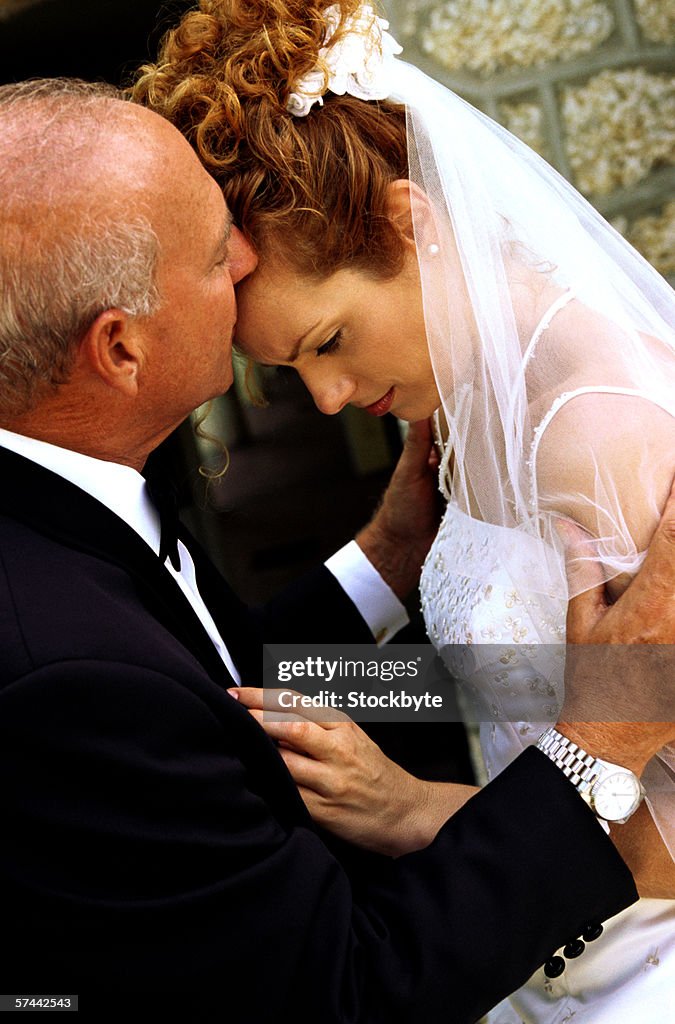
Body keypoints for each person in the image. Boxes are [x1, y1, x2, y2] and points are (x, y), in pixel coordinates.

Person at [0, 77, 666, 1024]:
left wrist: (387, 557)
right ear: (120, 349)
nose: (235, 257)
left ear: (414, 222)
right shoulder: (53, 657)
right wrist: (437, 798)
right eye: (207, 256)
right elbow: (339, 991)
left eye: (327, 340)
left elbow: (234, 683)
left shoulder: (595, 434)